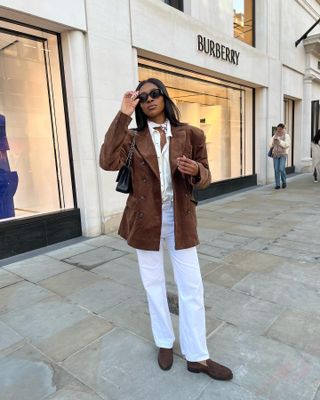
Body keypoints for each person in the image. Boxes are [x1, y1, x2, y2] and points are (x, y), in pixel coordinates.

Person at [99, 78, 233, 381]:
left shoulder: (192, 134)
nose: (148, 99)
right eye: (142, 97)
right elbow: (107, 160)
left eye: (154, 93)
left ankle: (197, 356)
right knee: (153, 284)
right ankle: (163, 341)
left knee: (192, 287)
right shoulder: (133, 137)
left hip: (180, 219)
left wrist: (197, 171)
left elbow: (207, 176)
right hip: (145, 221)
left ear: (164, 97)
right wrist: (122, 114)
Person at [269, 123, 291, 189]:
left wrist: (279, 142)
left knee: (281, 168)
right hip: (275, 154)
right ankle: (277, 184)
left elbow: (287, 145)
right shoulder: (274, 136)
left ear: (283, 129)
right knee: (276, 169)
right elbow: (270, 145)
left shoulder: (286, 136)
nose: (278, 130)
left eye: (280, 129)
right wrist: (273, 143)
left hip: (283, 154)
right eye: (278, 129)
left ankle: (284, 181)